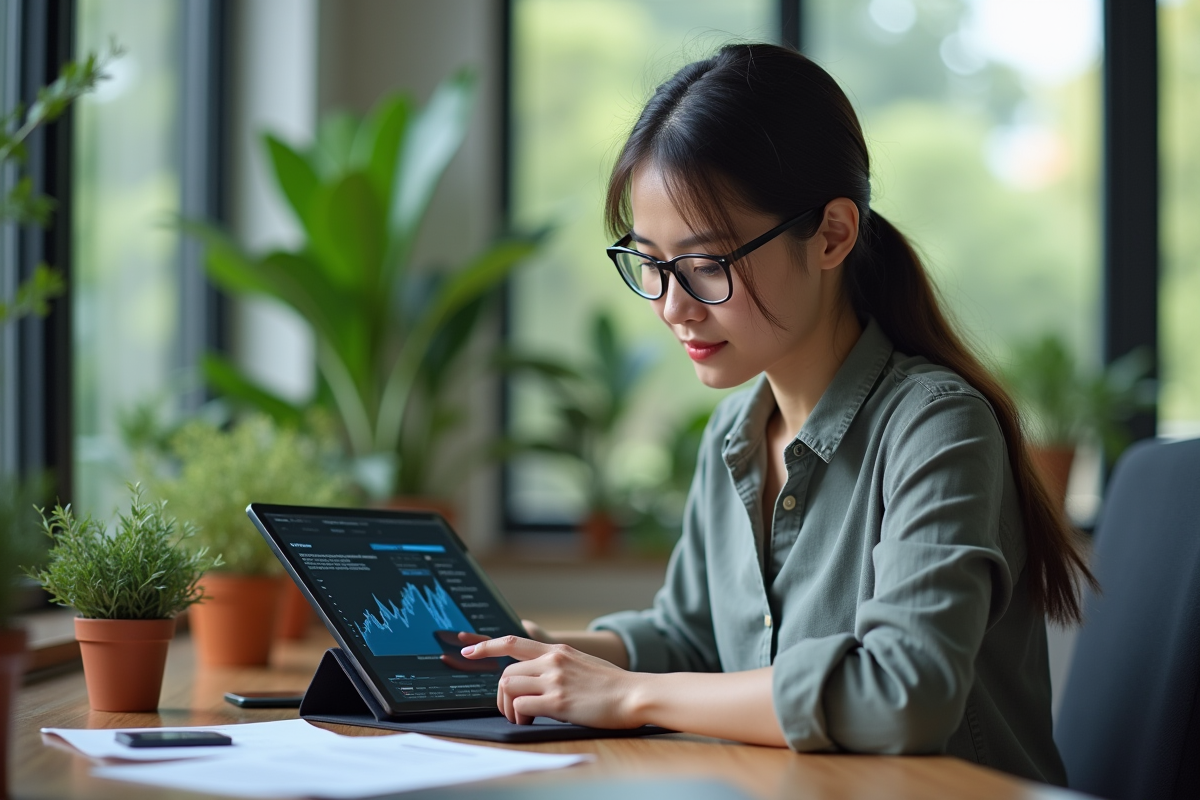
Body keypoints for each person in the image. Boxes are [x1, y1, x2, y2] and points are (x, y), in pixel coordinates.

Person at [459, 42, 1094, 785]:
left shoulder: (938, 427)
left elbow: (903, 694)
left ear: (831, 234)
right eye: (651, 264)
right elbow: (692, 639)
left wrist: (628, 694)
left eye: (706, 264)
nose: (672, 306)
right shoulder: (734, 434)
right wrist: (554, 653)